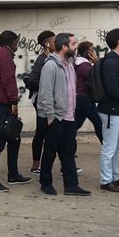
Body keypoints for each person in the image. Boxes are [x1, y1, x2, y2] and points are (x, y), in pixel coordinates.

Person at [37, 33, 89, 196]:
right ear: (64, 47)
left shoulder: (69, 64)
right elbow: (45, 93)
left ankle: (71, 185)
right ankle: (45, 183)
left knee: (68, 151)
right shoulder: (50, 66)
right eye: (73, 44)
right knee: (50, 151)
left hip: (69, 116)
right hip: (56, 117)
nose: (76, 47)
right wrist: (51, 116)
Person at [0, 31, 29, 192]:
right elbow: (8, 80)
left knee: (14, 139)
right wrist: (13, 101)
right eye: (16, 42)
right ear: (10, 43)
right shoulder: (5, 55)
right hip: (3, 105)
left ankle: (13, 174)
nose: (17, 45)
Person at [96, 29, 119, 193]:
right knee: (109, 148)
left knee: (117, 147)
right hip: (110, 111)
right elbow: (112, 88)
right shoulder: (112, 61)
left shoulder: (118, 59)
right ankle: (105, 180)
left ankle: (114, 177)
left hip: (117, 110)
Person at [23, 30, 56, 175]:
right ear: (47, 44)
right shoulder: (42, 59)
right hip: (41, 101)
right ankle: (36, 166)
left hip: (51, 101)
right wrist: (47, 85)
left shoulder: (55, 58)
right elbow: (31, 80)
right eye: (55, 41)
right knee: (42, 133)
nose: (58, 43)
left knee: (48, 132)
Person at [74, 41, 104, 145]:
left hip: (85, 99)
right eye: (92, 50)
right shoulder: (84, 66)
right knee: (75, 125)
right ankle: (67, 149)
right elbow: (96, 78)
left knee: (97, 122)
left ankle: (106, 145)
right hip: (83, 99)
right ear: (87, 53)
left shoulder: (79, 64)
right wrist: (97, 62)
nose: (94, 52)